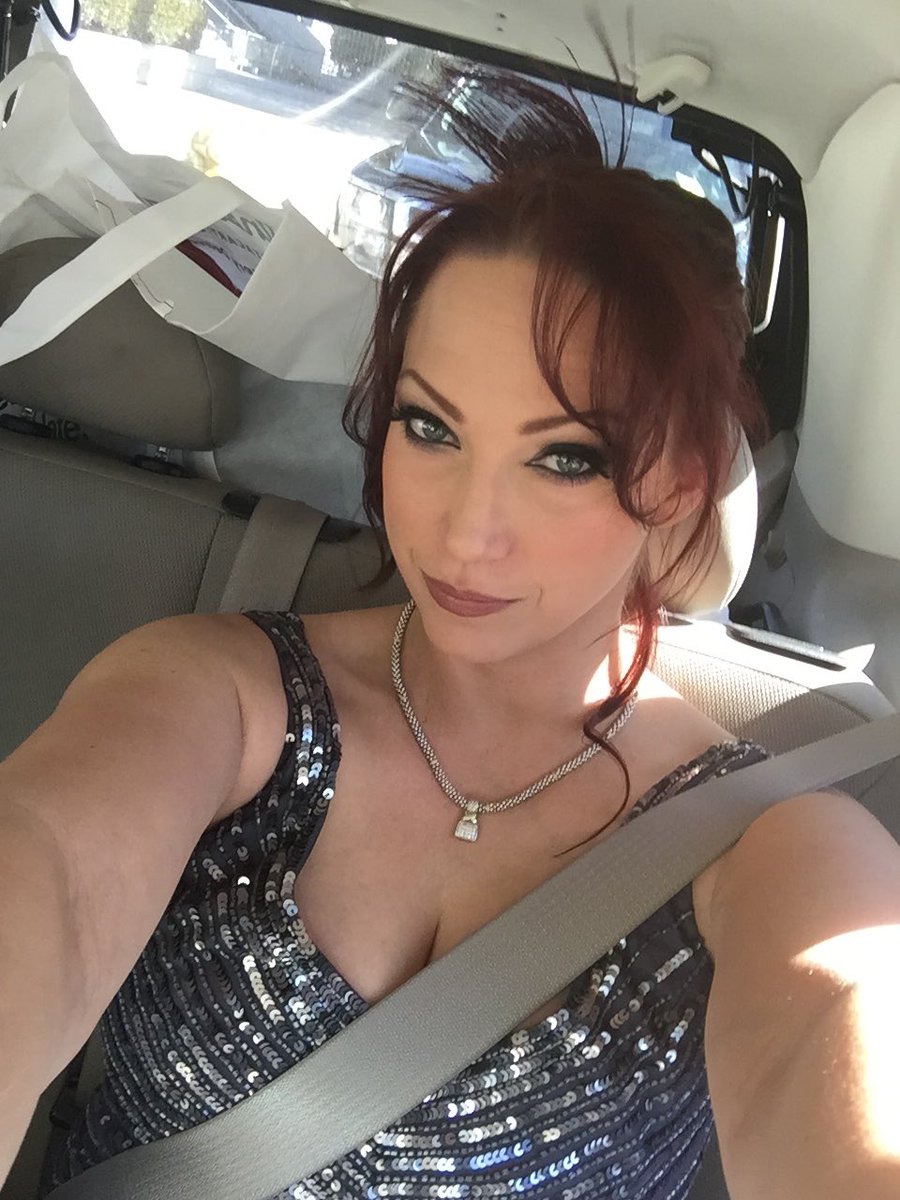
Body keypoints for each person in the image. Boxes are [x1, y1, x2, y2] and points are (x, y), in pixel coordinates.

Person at [2, 73, 898, 1200]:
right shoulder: (219, 691)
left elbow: (839, 1021)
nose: (467, 534)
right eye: (430, 427)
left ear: (676, 484)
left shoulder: (772, 847)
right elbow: (46, 874)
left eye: (565, 457)